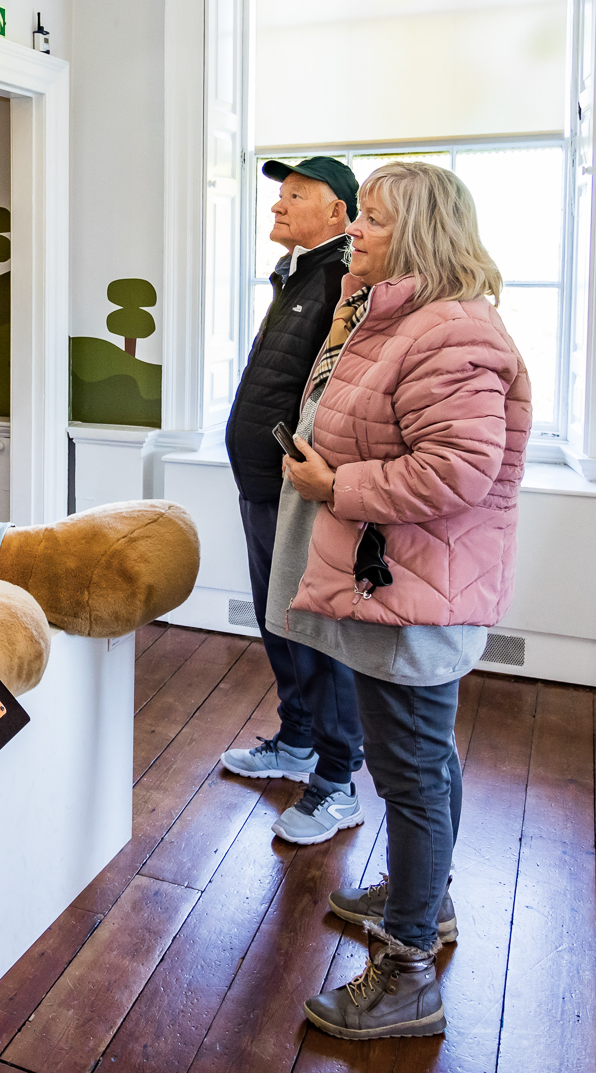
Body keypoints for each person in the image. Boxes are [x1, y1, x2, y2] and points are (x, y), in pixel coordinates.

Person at [271, 162, 531, 1040]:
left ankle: (410, 966)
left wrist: (335, 482)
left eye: (373, 220)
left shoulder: (451, 333)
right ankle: (432, 894)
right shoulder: (393, 311)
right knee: (421, 759)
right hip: (401, 580)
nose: (357, 232)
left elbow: (457, 468)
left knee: (413, 770)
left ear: (417, 233)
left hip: (417, 587)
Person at [217, 158, 366, 823]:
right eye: (279, 196)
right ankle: (300, 740)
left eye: (296, 196)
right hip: (260, 483)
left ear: (338, 212)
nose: (278, 207)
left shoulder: (341, 279)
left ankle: (338, 774)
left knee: (309, 628)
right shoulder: (299, 274)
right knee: (277, 620)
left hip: (296, 489)